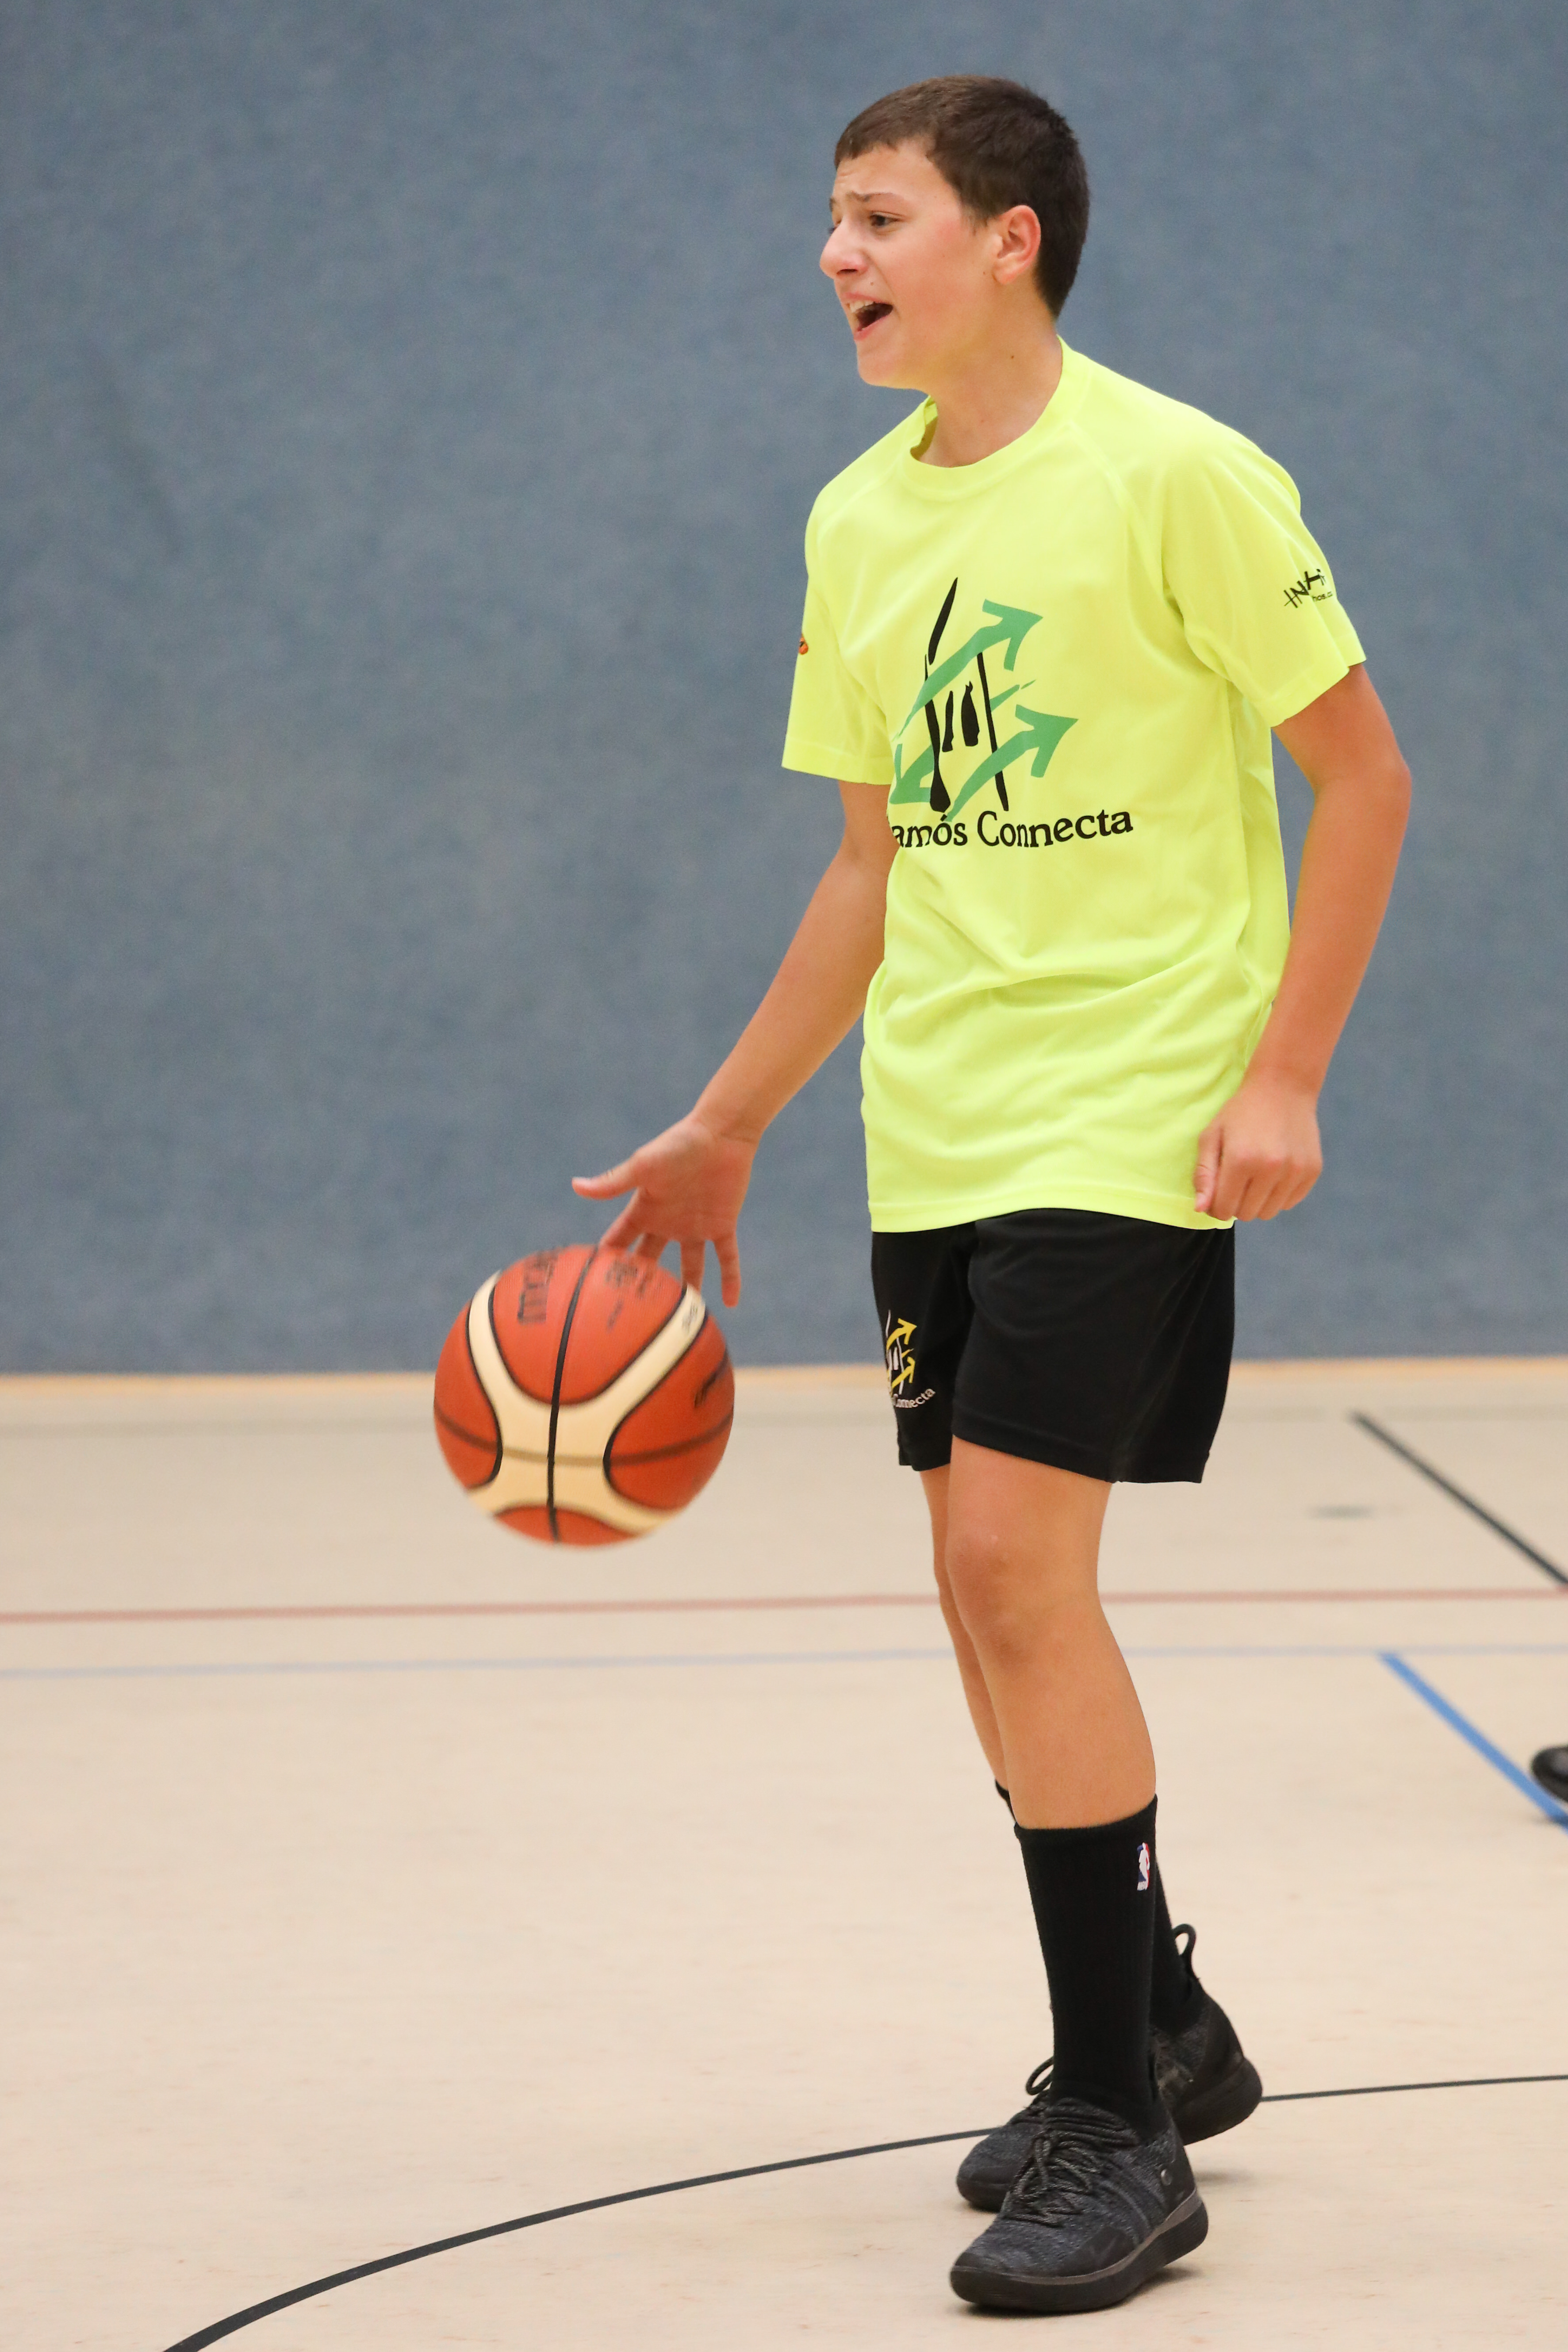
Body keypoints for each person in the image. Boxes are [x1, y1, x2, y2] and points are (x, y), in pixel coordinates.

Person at [575, 76, 1410, 2316]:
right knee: (978, 1598)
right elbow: (871, 862)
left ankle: (1118, 2130)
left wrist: (1285, 1068)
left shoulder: (1176, 474)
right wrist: (731, 1117)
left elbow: (1359, 780)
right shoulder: (857, 521)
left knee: (1012, 1566)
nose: (834, 257)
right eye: (830, 219)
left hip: (1129, 1111)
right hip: (934, 1122)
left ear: (1007, 238)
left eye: (876, 217)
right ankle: (1161, 2021)